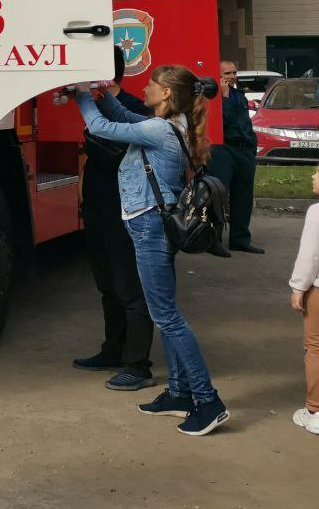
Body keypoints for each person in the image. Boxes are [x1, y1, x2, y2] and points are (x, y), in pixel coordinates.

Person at [75, 64, 230, 436]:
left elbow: (102, 128)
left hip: (149, 229)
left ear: (165, 95)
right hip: (152, 227)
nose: (144, 87)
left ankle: (208, 402)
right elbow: (124, 116)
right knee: (166, 313)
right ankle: (178, 393)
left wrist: (79, 93)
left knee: (168, 318)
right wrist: (101, 93)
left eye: (151, 84)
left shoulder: (160, 129)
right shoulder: (168, 124)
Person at [73, 48, 156, 391]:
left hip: (127, 210)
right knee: (106, 284)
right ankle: (113, 350)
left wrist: (82, 97)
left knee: (129, 288)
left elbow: (107, 138)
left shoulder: (136, 111)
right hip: (97, 205)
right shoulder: (107, 104)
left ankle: (138, 365)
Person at [210, 61, 263, 253]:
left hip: (244, 149)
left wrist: (252, 146)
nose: (232, 76)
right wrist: (223, 97)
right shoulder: (213, 95)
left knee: (243, 196)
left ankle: (240, 238)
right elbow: (222, 121)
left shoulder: (239, 95)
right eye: (227, 73)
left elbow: (245, 123)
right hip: (223, 149)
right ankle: (212, 240)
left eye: (234, 72)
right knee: (218, 194)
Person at [289, 166, 319, 435]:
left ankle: (315, 409)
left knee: (315, 348)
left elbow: (309, 257)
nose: (313, 176)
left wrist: (298, 287)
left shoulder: (316, 213)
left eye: (318, 172)